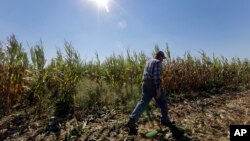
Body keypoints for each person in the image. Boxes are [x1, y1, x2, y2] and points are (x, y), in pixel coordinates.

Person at [125, 50, 173, 134]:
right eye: (162, 58)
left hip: (145, 84)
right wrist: (158, 89)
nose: (163, 60)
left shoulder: (149, 61)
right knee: (163, 102)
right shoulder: (157, 62)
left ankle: (132, 120)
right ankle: (165, 120)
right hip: (153, 85)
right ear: (159, 56)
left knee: (143, 102)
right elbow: (156, 77)